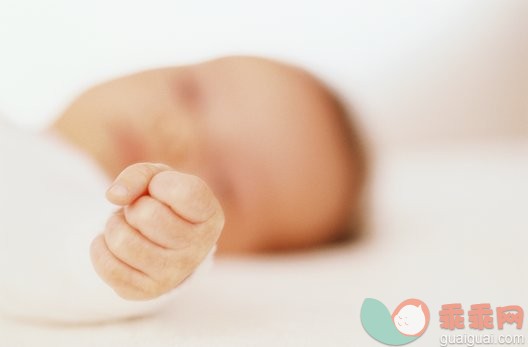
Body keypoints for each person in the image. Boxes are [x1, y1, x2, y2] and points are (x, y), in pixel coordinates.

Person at [0, 56, 365, 322]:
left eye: (222, 184)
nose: (178, 134)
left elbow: (59, 258)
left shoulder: (67, 224)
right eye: (188, 92)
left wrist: (153, 263)